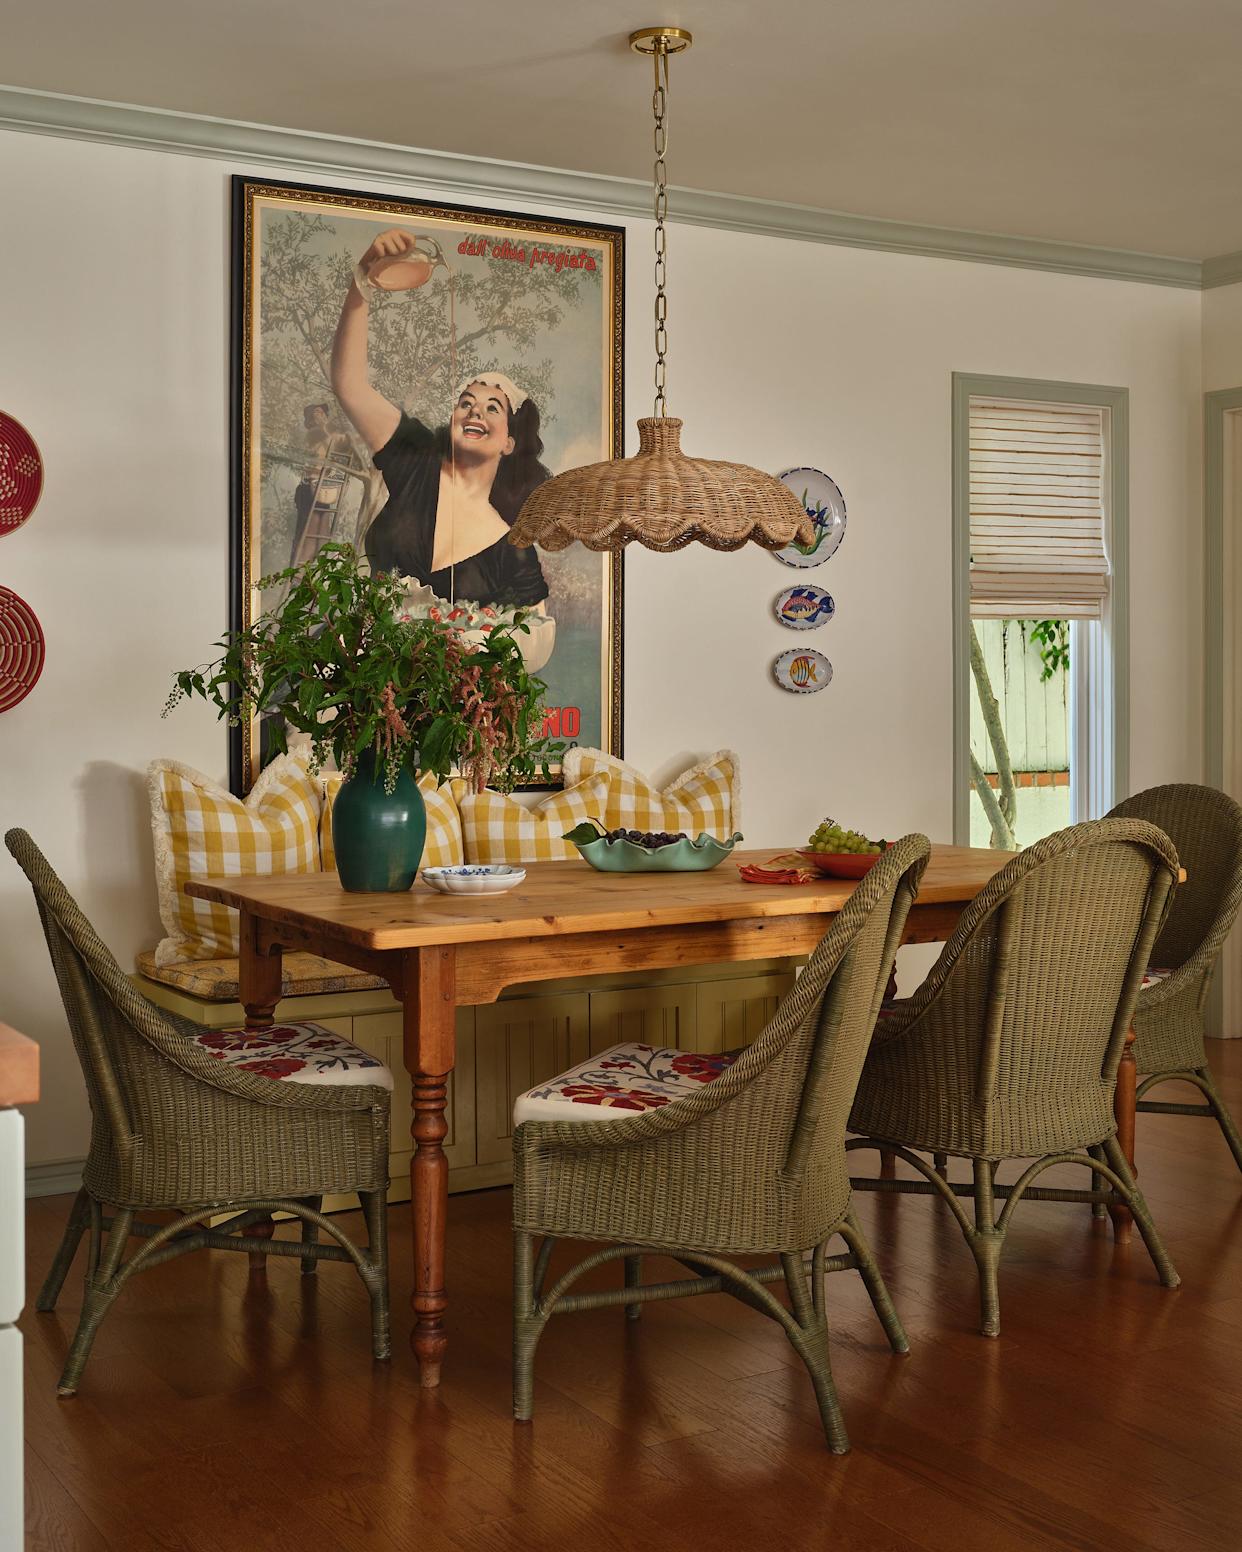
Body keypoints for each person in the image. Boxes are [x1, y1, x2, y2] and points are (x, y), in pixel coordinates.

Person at [330, 228, 550, 607]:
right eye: (466, 402)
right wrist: (364, 276)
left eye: (492, 407)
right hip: (357, 644)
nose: (474, 410)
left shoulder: (513, 547)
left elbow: (532, 633)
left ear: (509, 442)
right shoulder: (417, 460)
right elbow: (349, 385)